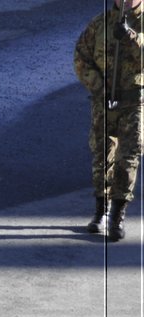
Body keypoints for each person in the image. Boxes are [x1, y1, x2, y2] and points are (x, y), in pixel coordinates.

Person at [75, 0, 144, 240]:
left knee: (129, 155)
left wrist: (131, 38)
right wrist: (99, 86)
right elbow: (81, 57)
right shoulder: (100, 23)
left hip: (135, 102)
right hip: (105, 100)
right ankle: (101, 210)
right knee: (103, 153)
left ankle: (117, 214)